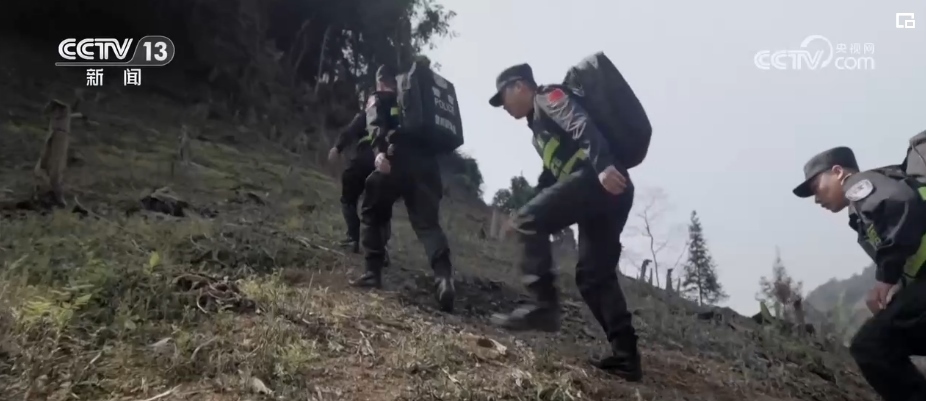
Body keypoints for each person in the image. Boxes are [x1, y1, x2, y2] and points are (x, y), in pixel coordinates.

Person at [486, 63, 642, 381]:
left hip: (599, 178)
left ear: (520, 86)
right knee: (593, 276)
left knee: (532, 222)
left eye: (503, 97)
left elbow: (579, 121)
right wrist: (526, 211)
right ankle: (627, 357)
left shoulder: (547, 97)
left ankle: (545, 307)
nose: (504, 107)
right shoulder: (538, 131)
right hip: (604, 189)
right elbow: (551, 176)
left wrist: (602, 165)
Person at [793, 146, 926, 401]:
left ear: (838, 172)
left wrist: (886, 278)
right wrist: (897, 289)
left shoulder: (859, 185)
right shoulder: (861, 212)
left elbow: (903, 204)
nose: (816, 199)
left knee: (871, 345)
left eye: (815, 187)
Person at [350, 65, 456, 313]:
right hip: (428, 168)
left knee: (373, 210)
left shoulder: (379, 97)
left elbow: (375, 122)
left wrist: (378, 152)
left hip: (396, 161)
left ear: (380, 82)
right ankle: (444, 279)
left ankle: (372, 272)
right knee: (428, 226)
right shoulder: (418, 103)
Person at [328, 90, 391, 264]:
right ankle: (381, 249)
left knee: (348, 198)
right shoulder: (396, 115)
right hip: (386, 163)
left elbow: (350, 130)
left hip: (365, 158)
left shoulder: (368, 113)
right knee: (380, 207)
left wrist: (337, 148)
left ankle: (352, 238)